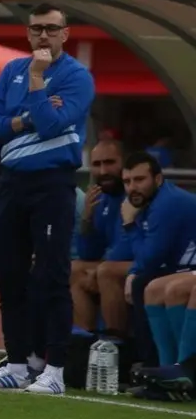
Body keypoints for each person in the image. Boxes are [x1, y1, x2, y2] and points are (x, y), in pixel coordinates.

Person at [0, 2, 95, 396]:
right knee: (8, 276)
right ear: (27, 33)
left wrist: (38, 80)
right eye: (36, 28)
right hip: (12, 182)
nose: (43, 35)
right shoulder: (11, 70)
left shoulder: (77, 77)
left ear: (65, 34)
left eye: (51, 29)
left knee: (51, 276)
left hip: (52, 183)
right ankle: (16, 364)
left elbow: (53, 124)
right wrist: (25, 117)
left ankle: (54, 370)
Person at [116, 153, 196, 382]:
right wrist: (134, 271)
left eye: (139, 179)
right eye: (127, 181)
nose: (132, 187)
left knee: (149, 285)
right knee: (147, 286)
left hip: (187, 267)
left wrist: (129, 224)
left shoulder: (167, 203)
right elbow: (122, 253)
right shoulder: (143, 202)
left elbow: (149, 258)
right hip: (180, 267)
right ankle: (163, 370)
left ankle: (181, 370)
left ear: (158, 179)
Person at [72, 140, 133, 336]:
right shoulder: (102, 198)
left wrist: (99, 268)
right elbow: (87, 253)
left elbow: (128, 248)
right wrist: (87, 219)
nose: (103, 171)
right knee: (73, 269)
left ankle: (115, 343)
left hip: (152, 264)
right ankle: (85, 343)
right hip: (117, 264)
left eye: (109, 162)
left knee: (106, 272)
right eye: (97, 164)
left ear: (124, 163)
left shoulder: (135, 196)